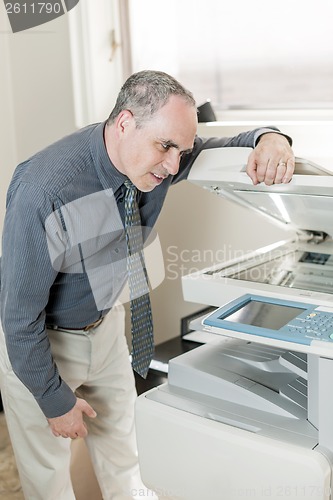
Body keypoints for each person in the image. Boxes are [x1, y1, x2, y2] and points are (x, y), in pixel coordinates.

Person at [0, 70, 295, 499]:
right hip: (38, 343)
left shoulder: (159, 163)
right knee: (48, 480)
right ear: (124, 123)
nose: (175, 165)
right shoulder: (42, 190)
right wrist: (53, 399)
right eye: (166, 146)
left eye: (182, 150)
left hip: (105, 327)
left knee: (128, 461)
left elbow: (225, 147)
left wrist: (271, 137)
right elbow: (18, 319)